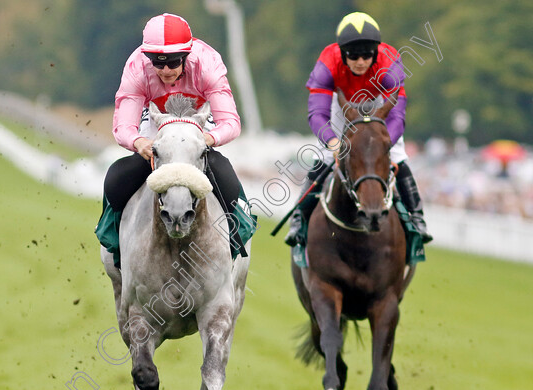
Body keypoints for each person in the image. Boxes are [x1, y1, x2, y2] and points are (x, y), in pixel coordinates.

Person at [98, 13, 251, 263]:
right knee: (116, 177)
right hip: (157, 126)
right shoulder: (137, 67)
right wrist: (139, 143)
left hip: (196, 125)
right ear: (148, 59)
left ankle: (239, 233)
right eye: (158, 63)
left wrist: (207, 139)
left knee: (225, 174)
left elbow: (231, 123)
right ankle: (114, 244)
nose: (166, 70)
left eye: (173, 62)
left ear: (187, 56)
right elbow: (123, 126)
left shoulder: (208, 64)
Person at [284, 11, 432, 247]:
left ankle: (417, 217)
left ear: (376, 51)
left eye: (367, 55)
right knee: (323, 157)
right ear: (342, 52)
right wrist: (333, 143)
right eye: (354, 56)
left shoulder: (390, 62)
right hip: (342, 105)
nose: (361, 61)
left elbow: (397, 116)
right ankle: (299, 218)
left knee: (397, 156)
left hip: (379, 105)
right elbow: (317, 114)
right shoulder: (327, 63)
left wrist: (384, 143)